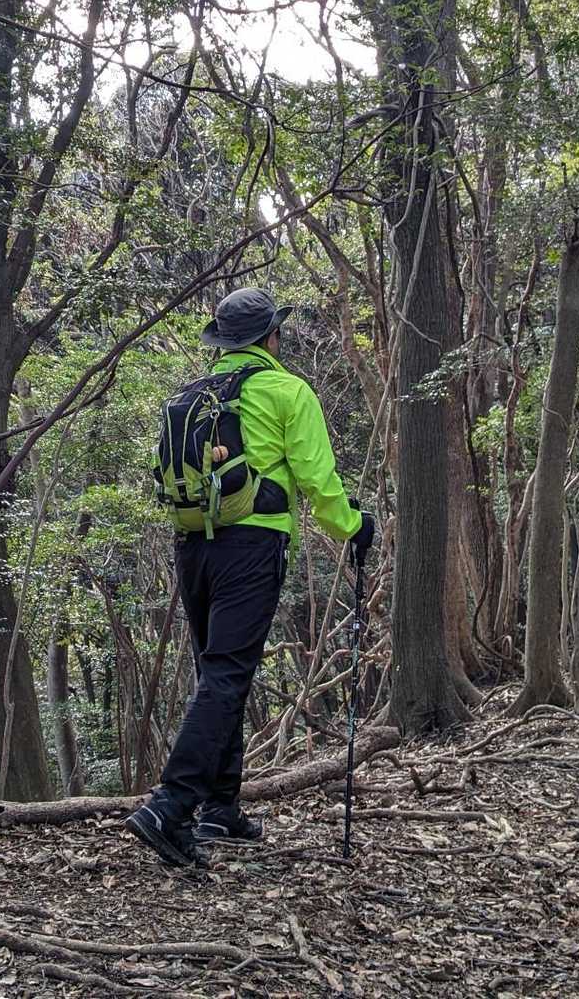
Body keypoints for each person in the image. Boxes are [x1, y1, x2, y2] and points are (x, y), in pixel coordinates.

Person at [125, 287, 375, 866]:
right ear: (272, 337)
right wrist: (354, 526)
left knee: (217, 673)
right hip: (253, 546)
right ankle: (170, 806)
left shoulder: (193, 395)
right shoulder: (287, 391)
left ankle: (221, 807)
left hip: (193, 545)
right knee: (227, 675)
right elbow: (318, 481)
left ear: (224, 341)